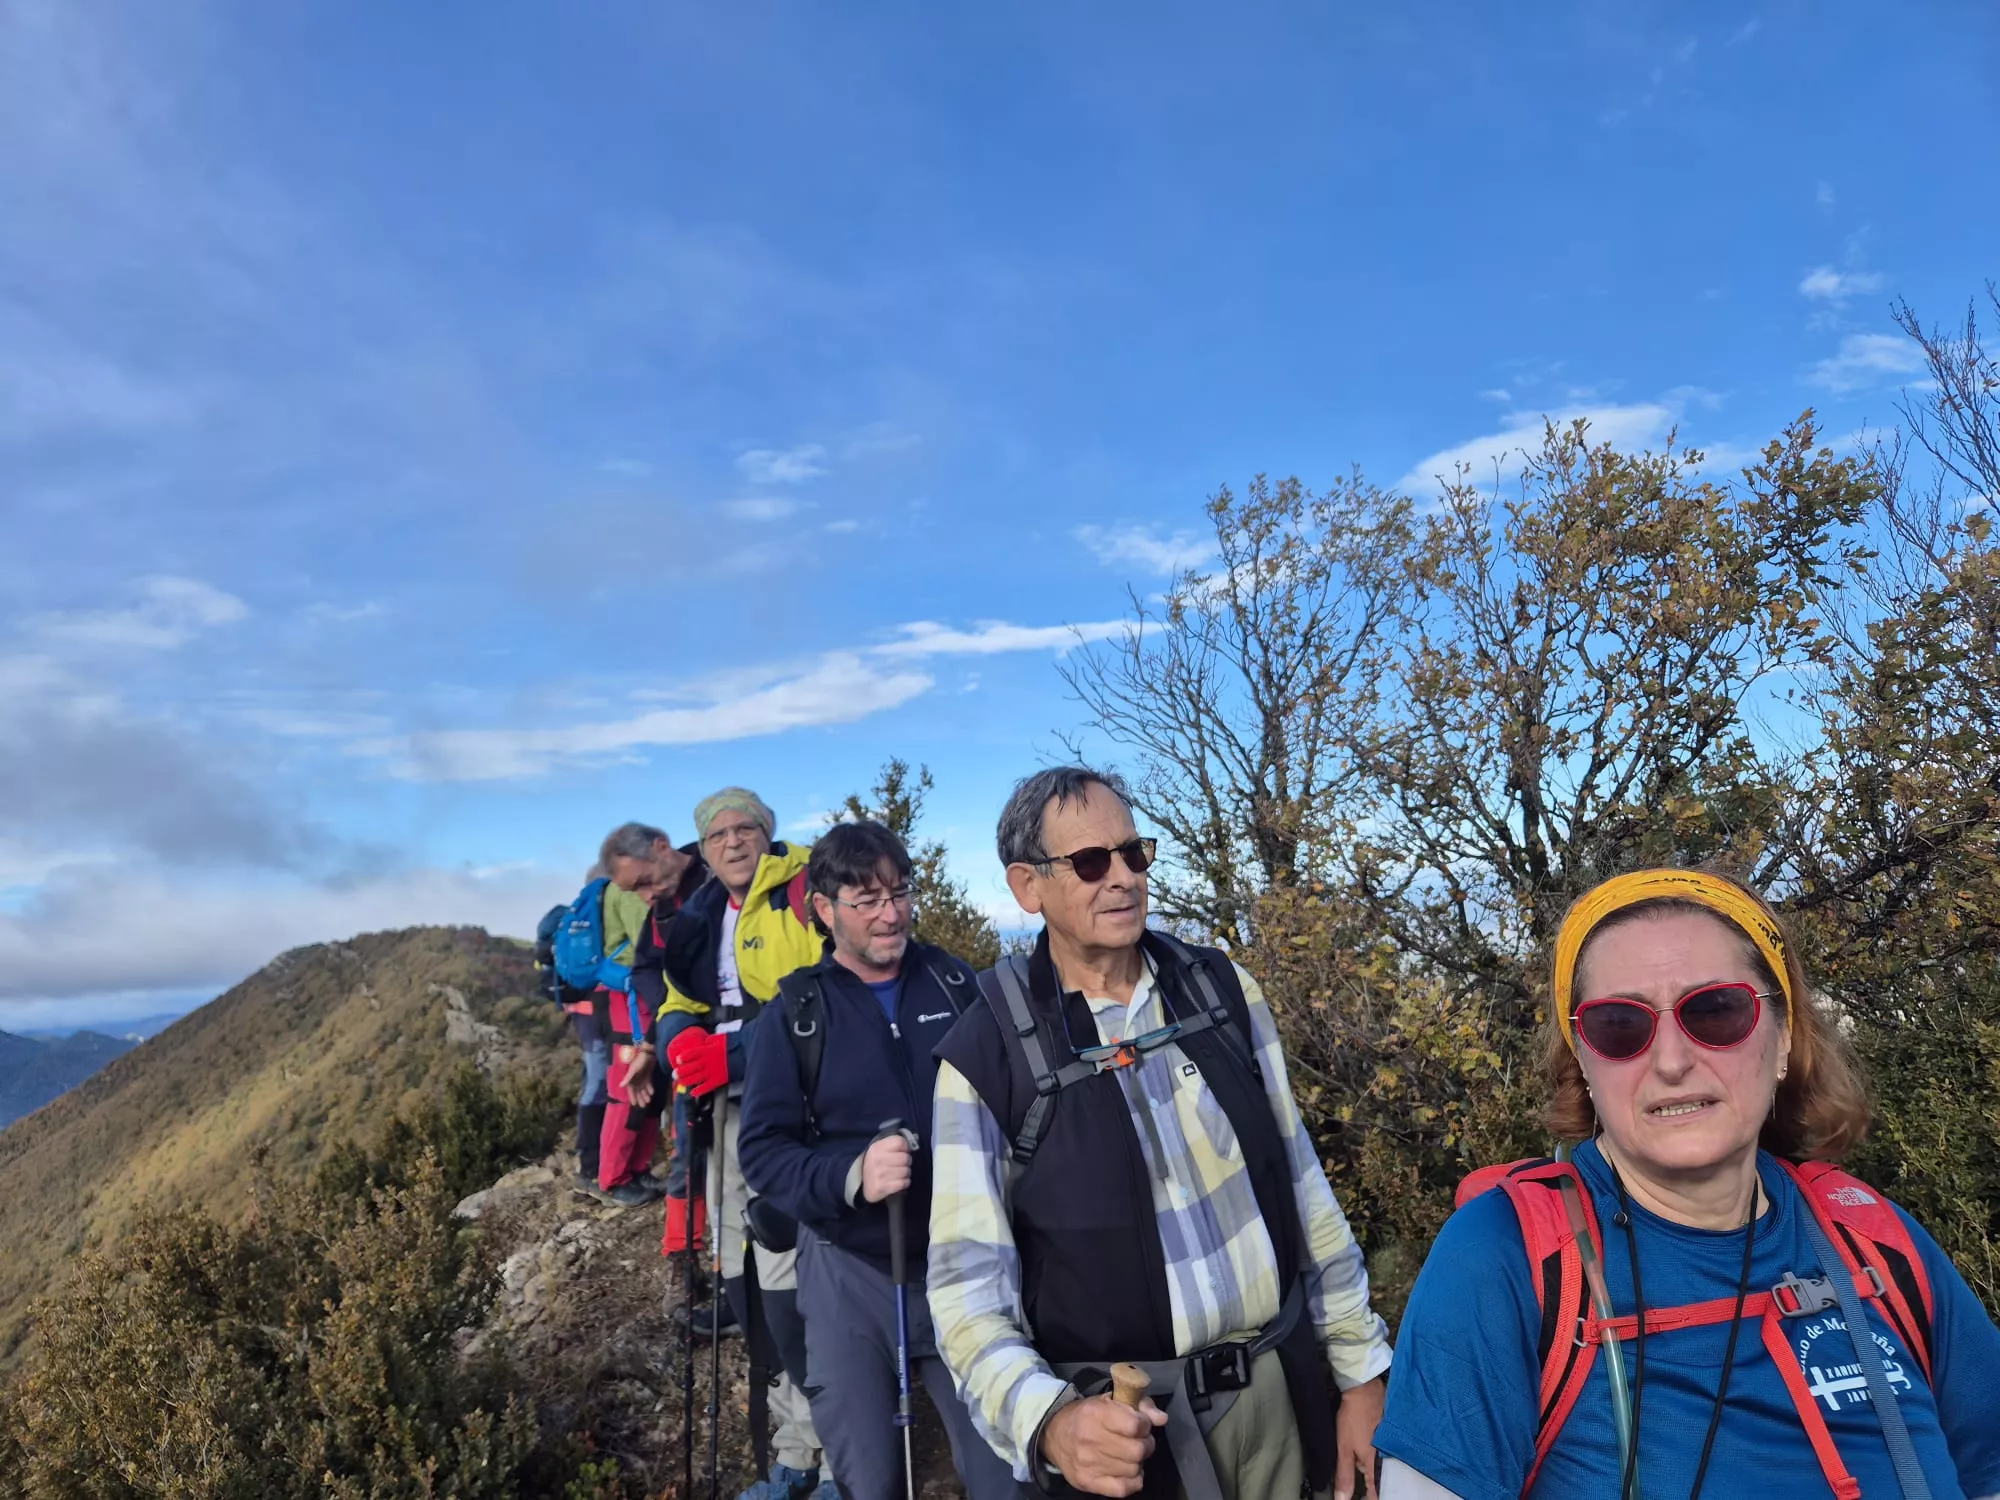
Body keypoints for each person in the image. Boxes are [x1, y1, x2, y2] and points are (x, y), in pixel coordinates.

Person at [1375, 868, 2000, 1500]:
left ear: (1783, 1037)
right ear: (1583, 1061)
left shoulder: (1868, 1235)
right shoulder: (1507, 1256)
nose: (1672, 1061)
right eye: (1620, 1026)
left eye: (1717, 1011)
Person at [929, 766, 1392, 1500]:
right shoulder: (983, 1056)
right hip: (1129, 1436)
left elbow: (1303, 1187)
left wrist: (1361, 1372)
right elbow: (966, 1294)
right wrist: (1049, 1423)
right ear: (1027, 887)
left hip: (1279, 1394)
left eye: (1133, 853)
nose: (1122, 878)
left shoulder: (1221, 991)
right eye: (1089, 862)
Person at [739, 819, 1029, 1500]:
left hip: (967, 1260)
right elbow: (763, 1150)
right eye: (866, 900)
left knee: (1004, 1472)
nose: (890, 913)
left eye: (898, 892)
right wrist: (851, 1175)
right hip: (849, 1270)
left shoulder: (954, 983)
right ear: (823, 908)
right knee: (871, 1477)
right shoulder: (795, 1013)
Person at [661, 787, 835, 1500]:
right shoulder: (701, 915)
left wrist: (733, 1055)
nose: (734, 842)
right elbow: (678, 1000)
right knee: (750, 1279)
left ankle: (837, 1455)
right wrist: (678, 1042)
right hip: (722, 1114)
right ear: (702, 851)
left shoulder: (803, 892)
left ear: (769, 834)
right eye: (718, 835)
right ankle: (792, 1452)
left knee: (802, 1283)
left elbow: (827, 994)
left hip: (796, 1109)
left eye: (746, 829)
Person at [599, 821, 707, 1215]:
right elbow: (646, 965)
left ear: (663, 847)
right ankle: (684, 1250)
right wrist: (675, 1013)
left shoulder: (717, 875)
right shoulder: (664, 906)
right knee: (688, 1142)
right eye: (635, 890)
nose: (646, 897)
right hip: (688, 1035)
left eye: (645, 881)